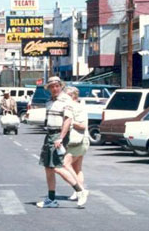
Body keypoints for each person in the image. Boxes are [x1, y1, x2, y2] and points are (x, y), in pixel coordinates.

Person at [36, 77, 88, 209]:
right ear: (48, 88)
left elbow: (67, 120)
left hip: (58, 135)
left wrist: (60, 137)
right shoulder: (50, 101)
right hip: (50, 135)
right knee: (48, 167)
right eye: (52, 86)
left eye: (57, 86)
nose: (54, 88)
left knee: (58, 166)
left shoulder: (66, 100)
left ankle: (80, 191)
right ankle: (51, 199)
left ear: (61, 86)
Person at [62, 86, 90, 202]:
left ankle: (81, 190)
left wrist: (70, 122)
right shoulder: (72, 106)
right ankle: (77, 192)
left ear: (73, 96)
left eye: (66, 95)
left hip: (79, 140)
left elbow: (83, 125)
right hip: (79, 140)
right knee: (77, 168)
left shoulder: (77, 107)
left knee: (65, 164)